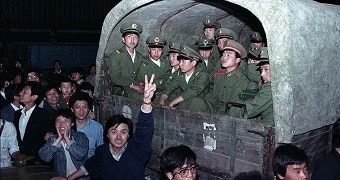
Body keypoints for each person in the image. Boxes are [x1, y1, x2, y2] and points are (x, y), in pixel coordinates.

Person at [52, 74, 156, 180]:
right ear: (107, 134)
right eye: (114, 132)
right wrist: (68, 178)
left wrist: (147, 102)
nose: (118, 137)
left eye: (123, 132)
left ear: (128, 134)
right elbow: (88, 167)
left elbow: (145, 130)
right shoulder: (102, 152)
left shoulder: (137, 151)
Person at [200, 39, 258, 113]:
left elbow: (232, 104)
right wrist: (203, 103)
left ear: (237, 60)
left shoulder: (242, 78)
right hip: (215, 109)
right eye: (223, 54)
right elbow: (213, 97)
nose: (224, 58)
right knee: (196, 102)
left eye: (228, 55)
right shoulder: (219, 74)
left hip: (227, 112)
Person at [39, 109, 89, 179]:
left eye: (65, 121)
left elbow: (80, 155)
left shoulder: (80, 136)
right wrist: (58, 139)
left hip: (81, 178)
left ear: (72, 124)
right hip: (62, 177)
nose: (62, 124)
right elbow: (45, 157)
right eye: (58, 121)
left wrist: (66, 138)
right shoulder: (53, 139)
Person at [228, 47, 274, 125]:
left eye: (266, 69)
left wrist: (232, 109)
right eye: (261, 69)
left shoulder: (271, 88)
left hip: (271, 131)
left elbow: (249, 110)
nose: (262, 74)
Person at [13, 81, 53, 165]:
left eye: (25, 92)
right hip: (20, 160)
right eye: (21, 91)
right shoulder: (17, 114)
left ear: (34, 97)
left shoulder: (44, 115)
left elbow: (46, 140)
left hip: (37, 160)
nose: (20, 93)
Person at [159, 45, 209, 111]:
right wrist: (162, 100)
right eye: (180, 61)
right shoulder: (180, 73)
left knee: (194, 101)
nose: (180, 64)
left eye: (183, 62)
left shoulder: (202, 75)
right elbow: (170, 86)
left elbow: (193, 91)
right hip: (186, 104)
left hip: (201, 107)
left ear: (193, 62)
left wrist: (173, 103)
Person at [108, 22, 144, 97]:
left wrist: (141, 84)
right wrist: (133, 85)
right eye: (129, 37)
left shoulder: (139, 57)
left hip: (137, 87)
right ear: (123, 39)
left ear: (138, 40)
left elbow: (140, 75)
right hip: (122, 89)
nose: (132, 40)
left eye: (135, 37)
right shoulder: (116, 55)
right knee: (138, 96)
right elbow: (115, 78)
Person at [69, 92, 103, 158]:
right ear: (72, 109)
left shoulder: (97, 127)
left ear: (89, 109)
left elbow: (101, 150)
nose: (81, 111)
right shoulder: (68, 126)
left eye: (84, 107)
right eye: (77, 107)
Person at [137, 36, 170, 101]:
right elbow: (144, 84)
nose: (156, 53)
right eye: (153, 49)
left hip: (167, 94)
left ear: (163, 50)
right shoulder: (144, 65)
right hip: (152, 96)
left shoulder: (166, 62)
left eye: (159, 50)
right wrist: (159, 82)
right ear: (149, 49)